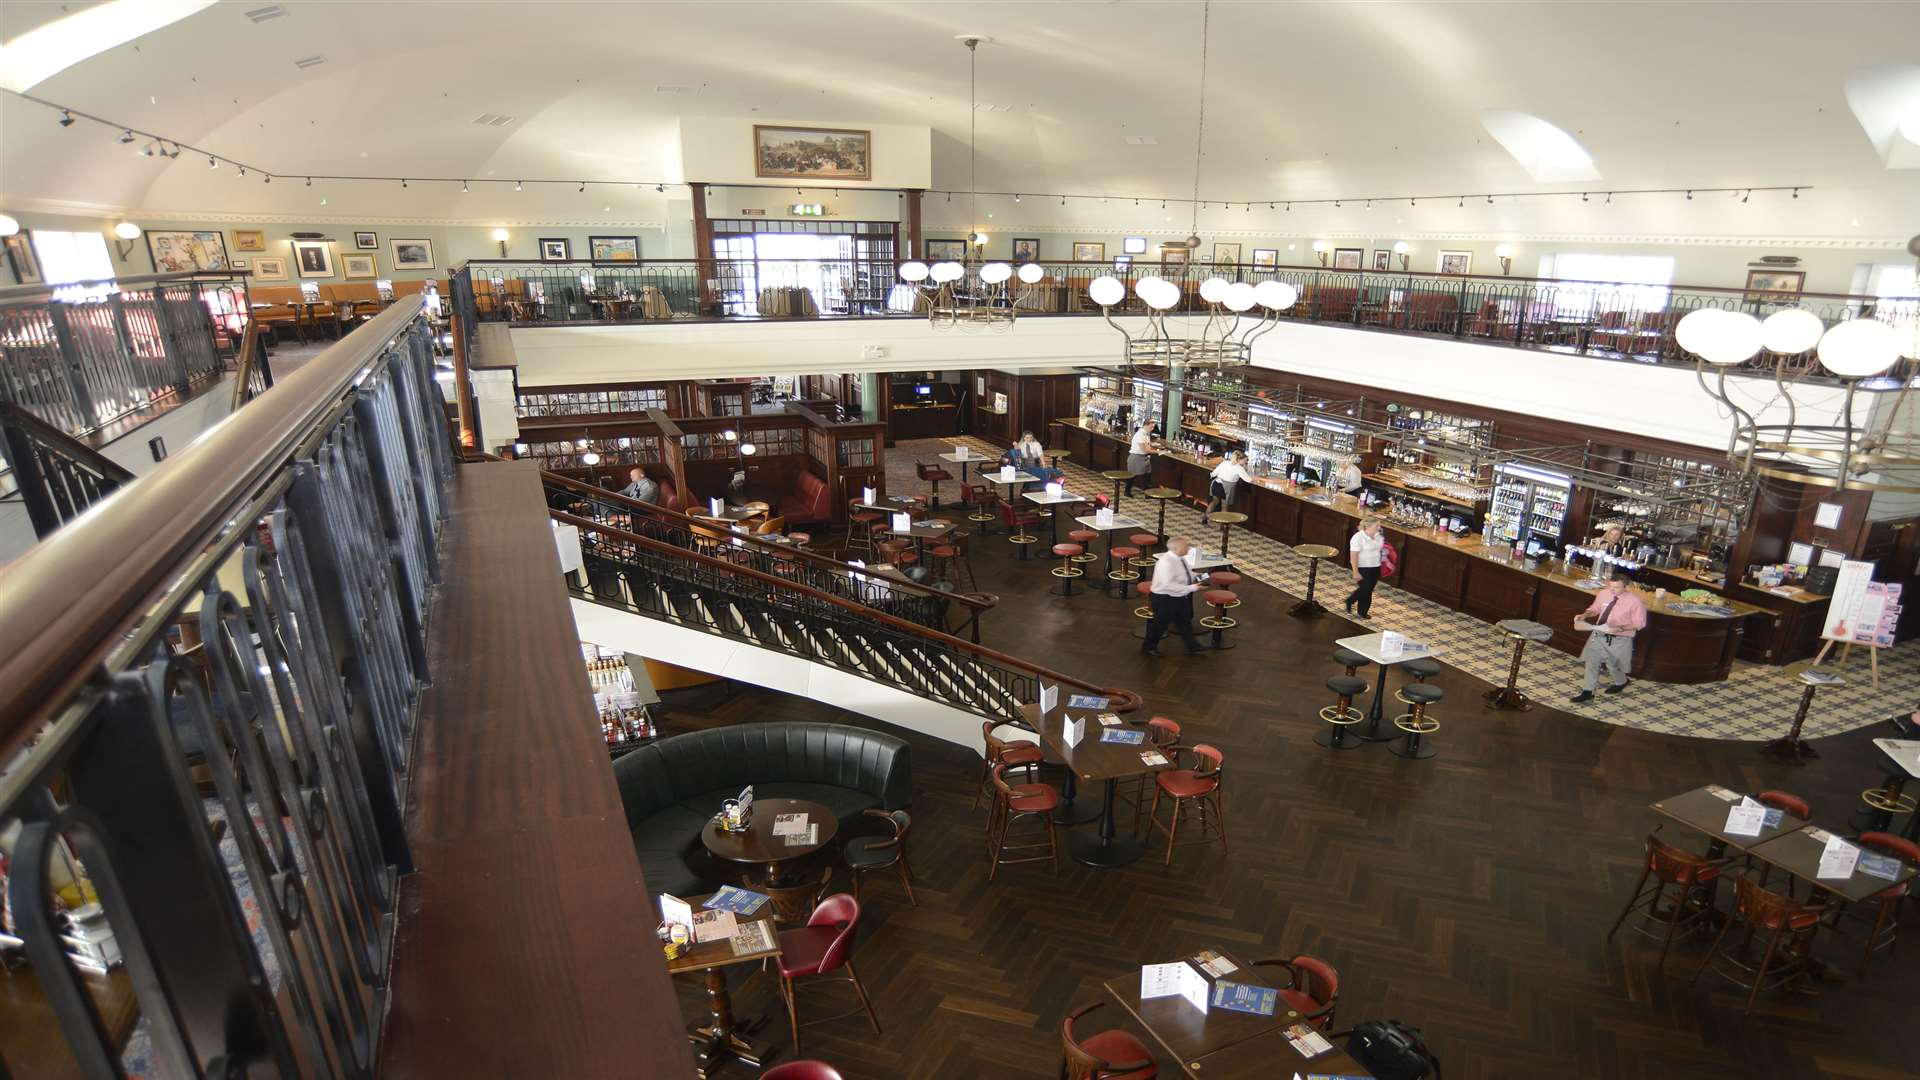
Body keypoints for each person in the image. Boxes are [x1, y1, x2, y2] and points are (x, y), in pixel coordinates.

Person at [1569, 577, 1647, 702]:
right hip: (1599, 633)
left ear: (1626, 587)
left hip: (1620, 639)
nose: (1612, 590)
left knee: (1613, 665)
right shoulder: (1604, 593)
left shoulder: (1635, 602)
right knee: (1591, 662)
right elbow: (1595, 609)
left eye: (1616, 587)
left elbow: (1640, 624)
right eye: (1611, 586)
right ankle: (1588, 691)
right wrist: (1584, 615)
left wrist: (1620, 628)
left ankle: (1621, 682)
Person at [1141, 538, 1210, 656]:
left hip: (1178, 595)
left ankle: (1192, 646)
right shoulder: (1166, 563)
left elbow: (1186, 573)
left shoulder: (1181, 558)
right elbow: (1168, 585)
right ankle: (1148, 648)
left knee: (1184, 621)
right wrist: (1193, 588)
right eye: (1186, 546)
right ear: (1176, 549)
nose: (1188, 548)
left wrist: (1200, 576)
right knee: (1160, 624)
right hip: (1164, 597)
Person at [1345, 515, 1385, 617]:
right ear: (1368, 527)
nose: (1379, 528)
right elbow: (1353, 556)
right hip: (1363, 568)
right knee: (1365, 589)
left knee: (1369, 590)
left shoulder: (1378, 537)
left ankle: (1362, 612)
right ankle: (1350, 600)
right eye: (1377, 526)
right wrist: (1355, 571)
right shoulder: (1358, 538)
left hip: (1376, 567)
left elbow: (1381, 550)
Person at [1203, 450, 1252, 525]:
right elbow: (1248, 479)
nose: (1246, 463)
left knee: (1214, 502)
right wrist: (1246, 468)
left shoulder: (1225, 462)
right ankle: (1223, 526)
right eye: (1245, 461)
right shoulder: (1239, 468)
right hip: (1225, 488)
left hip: (1216, 484)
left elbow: (1213, 473)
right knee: (1224, 507)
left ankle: (1204, 519)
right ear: (1239, 459)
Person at [1124, 420, 1158, 496]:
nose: (1152, 428)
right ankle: (1127, 491)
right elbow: (1145, 449)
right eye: (1151, 427)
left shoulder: (1146, 434)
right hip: (1136, 458)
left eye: (1153, 427)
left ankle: (1147, 493)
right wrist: (1158, 452)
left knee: (1147, 475)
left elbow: (1148, 446)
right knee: (1132, 476)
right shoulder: (1140, 435)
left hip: (1144, 458)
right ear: (1146, 425)